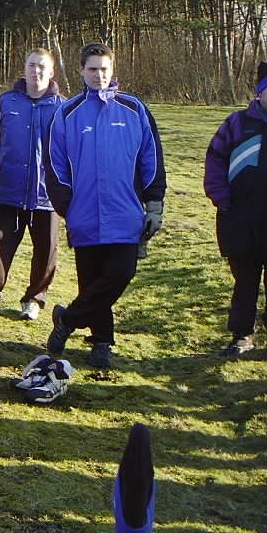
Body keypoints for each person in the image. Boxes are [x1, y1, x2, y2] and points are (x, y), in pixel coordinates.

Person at [45, 42, 166, 368]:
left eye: (104, 69)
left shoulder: (134, 109)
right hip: (84, 214)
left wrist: (154, 203)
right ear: (81, 71)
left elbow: (152, 159)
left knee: (121, 273)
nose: (99, 75)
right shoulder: (67, 113)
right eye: (92, 69)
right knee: (92, 281)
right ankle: (101, 342)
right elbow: (54, 164)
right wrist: (66, 205)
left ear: (113, 70)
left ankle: (68, 319)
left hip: (125, 213)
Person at [0, 48, 64, 321]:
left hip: (46, 194)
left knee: (46, 250)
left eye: (42, 67)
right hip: (8, 189)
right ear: (24, 68)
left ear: (51, 71)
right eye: (32, 65)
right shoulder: (5, 102)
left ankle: (34, 300)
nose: (36, 71)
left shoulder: (63, 108)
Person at [203, 61, 267, 358]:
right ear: (260, 92)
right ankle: (242, 335)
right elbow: (215, 161)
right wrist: (222, 199)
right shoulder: (236, 123)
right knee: (245, 282)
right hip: (240, 219)